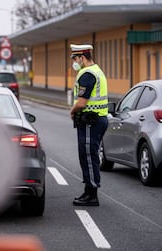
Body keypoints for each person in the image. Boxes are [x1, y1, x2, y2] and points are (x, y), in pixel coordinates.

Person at [69, 44, 108, 206]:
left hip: (90, 121)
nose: (74, 62)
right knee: (88, 155)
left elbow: (82, 102)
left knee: (88, 156)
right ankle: (88, 191)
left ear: (82, 57)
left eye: (75, 58)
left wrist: (72, 111)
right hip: (95, 120)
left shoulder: (87, 74)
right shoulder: (96, 71)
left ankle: (92, 194)